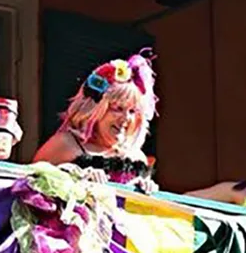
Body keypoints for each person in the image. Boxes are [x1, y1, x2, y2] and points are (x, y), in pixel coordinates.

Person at [33, 52, 158, 193]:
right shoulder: (65, 145)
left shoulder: (137, 158)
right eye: (117, 109)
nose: (126, 118)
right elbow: (27, 186)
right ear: (95, 109)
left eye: (132, 111)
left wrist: (147, 191)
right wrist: (70, 177)